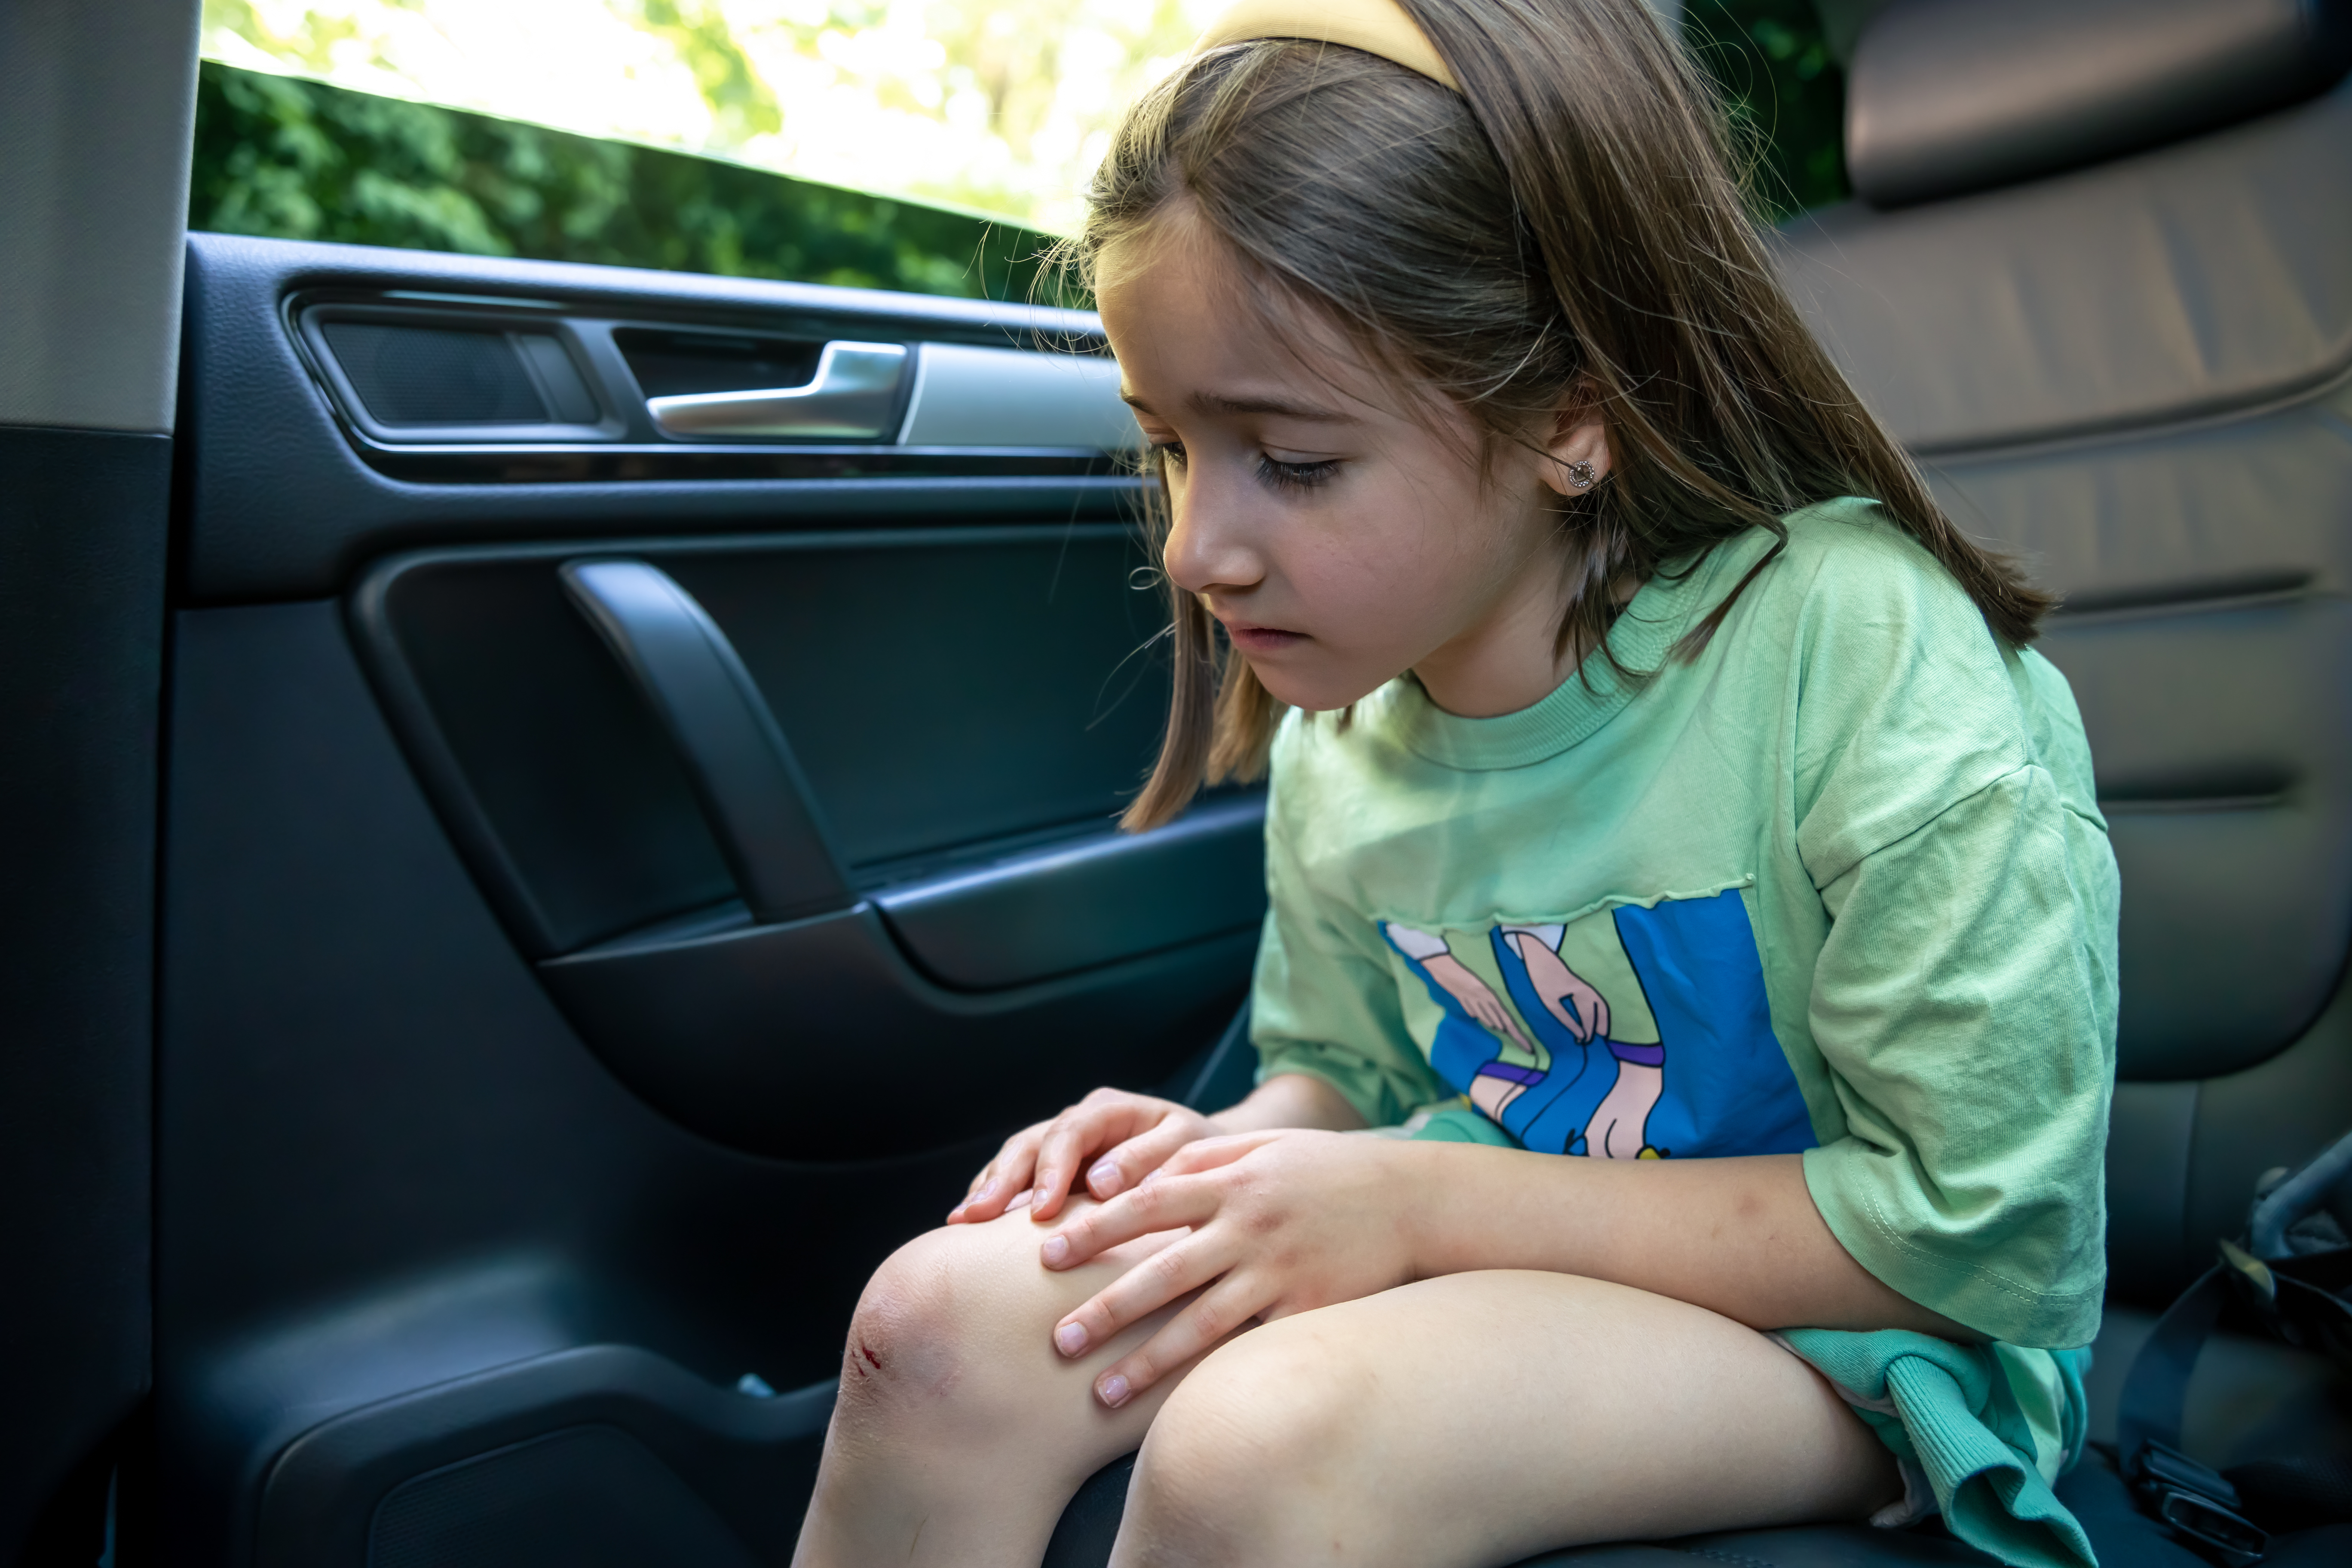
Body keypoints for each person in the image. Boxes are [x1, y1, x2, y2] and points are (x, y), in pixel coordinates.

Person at [791, 0, 2118, 1562]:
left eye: (1292, 461)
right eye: (1167, 447)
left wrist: (1412, 1203)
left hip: (1862, 1338)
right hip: (1486, 1234)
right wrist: (1205, 1156)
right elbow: (1346, 1075)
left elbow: (1973, 1231)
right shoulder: (1351, 723)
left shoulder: (1858, 651)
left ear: (1572, 414)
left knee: (1259, 1451)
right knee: (933, 1327)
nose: (1193, 547)